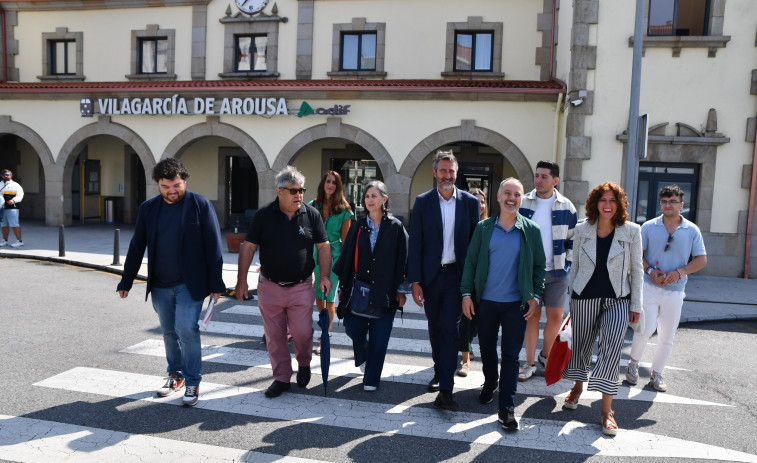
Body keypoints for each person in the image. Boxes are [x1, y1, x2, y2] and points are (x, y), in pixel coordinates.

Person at [117, 158, 225, 407]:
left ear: (184, 180)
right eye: (166, 186)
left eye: (176, 185)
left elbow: (214, 246)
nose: (172, 191)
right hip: (160, 284)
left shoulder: (200, 205)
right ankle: (175, 374)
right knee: (168, 331)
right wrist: (127, 280)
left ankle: (192, 380)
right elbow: (137, 246)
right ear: (158, 184)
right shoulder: (148, 208)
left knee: (187, 329)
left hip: (191, 283)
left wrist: (216, 283)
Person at [235, 166, 332, 399]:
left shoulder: (311, 215)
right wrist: (241, 282)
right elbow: (248, 247)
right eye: (293, 191)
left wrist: (325, 276)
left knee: (303, 332)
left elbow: (323, 246)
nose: (299, 194)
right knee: (275, 336)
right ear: (279, 191)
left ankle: (304, 363)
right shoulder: (264, 216)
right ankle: (281, 378)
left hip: (301, 286)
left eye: (301, 190)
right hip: (270, 286)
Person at [460, 178, 546, 431]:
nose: (511, 198)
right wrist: (466, 294)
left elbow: (540, 268)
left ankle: (506, 408)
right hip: (485, 302)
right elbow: (471, 263)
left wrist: (536, 296)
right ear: (498, 197)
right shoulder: (484, 228)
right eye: (507, 193)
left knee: (510, 355)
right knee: (487, 348)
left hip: (515, 305)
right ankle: (490, 382)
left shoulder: (531, 230)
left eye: (516, 194)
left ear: (522, 199)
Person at [562, 182, 643, 436]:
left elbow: (637, 270)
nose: (607, 205)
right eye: (603, 200)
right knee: (583, 346)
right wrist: (570, 301)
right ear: (595, 203)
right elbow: (574, 268)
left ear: (619, 205)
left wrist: (637, 304)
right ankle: (577, 387)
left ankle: (607, 411)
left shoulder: (632, 231)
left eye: (612, 201)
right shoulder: (582, 231)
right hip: (584, 297)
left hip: (618, 299)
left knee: (611, 349)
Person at [408, 150, 480, 411]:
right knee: (435, 327)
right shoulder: (423, 202)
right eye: (443, 171)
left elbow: (475, 247)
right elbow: (415, 244)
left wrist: (471, 284)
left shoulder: (471, 204)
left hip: (456, 277)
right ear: (435, 172)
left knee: (450, 329)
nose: (447, 175)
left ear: (456, 173)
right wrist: (415, 281)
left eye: (451, 171)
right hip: (430, 277)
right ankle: (440, 370)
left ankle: (446, 391)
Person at [626, 185, 707, 392]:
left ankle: (657, 374)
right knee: (645, 329)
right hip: (650, 287)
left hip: (676, 290)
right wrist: (651, 271)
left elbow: (701, 260)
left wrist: (680, 272)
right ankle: (633, 366)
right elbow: (638, 255)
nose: (667, 205)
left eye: (672, 201)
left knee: (667, 335)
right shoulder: (649, 227)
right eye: (664, 201)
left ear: (681, 204)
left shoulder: (692, 230)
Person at [333, 180, 408, 391]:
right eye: (367, 196)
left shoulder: (395, 227)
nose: (370, 200)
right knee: (352, 328)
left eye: (374, 196)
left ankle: (371, 378)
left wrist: (402, 290)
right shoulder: (359, 225)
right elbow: (347, 257)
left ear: (385, 199)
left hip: (385, 291)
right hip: (358, 289)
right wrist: (342, 287)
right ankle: (363, 353)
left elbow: (404, 259)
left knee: (380, 338)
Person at [517, 160, 577, 381]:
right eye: (537, 175)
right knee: (531, 316)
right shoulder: (524, 203)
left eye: (544, 176)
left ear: (555, 180)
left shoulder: (567, 207)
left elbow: (572, 241)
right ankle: (530, 363)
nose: (538, 180)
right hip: (531, 273)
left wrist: (566, 266)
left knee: (555, 317)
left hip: (557, 272)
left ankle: (545, 355)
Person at [309, 171, 353, 355]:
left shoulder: (344, 209)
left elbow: (346, 240)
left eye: (334, 183)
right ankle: (323, 327)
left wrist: (344, 267)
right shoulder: (313, 205)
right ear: (323, 184)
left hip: (334, 258)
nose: (330, 185)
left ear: (338, 186)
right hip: (314, 256)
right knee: (319, 297)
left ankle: (325, 336)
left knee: (329, 299)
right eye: (328, 181)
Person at [457, 187, 488, 377]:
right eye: (475, 201)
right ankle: (465, 358)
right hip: (465, 278)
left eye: (482, 201)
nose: (479, 204)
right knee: (466, 319)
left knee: (479, 319)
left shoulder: (490, 225)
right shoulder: (462, 225)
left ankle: (467, 345)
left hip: (485, 280)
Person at [0, 169, 25, 248]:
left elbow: (20, 195)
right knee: (4, 225)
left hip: (12, 208)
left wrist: (14, 200)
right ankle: (4, 240)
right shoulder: (0, 184)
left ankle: (19, 241)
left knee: (14, 224)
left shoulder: (15, 185)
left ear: (11, 176)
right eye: (4, 175)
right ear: (1, 176)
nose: (6, 176)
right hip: (2, 208)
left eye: (7, 175)